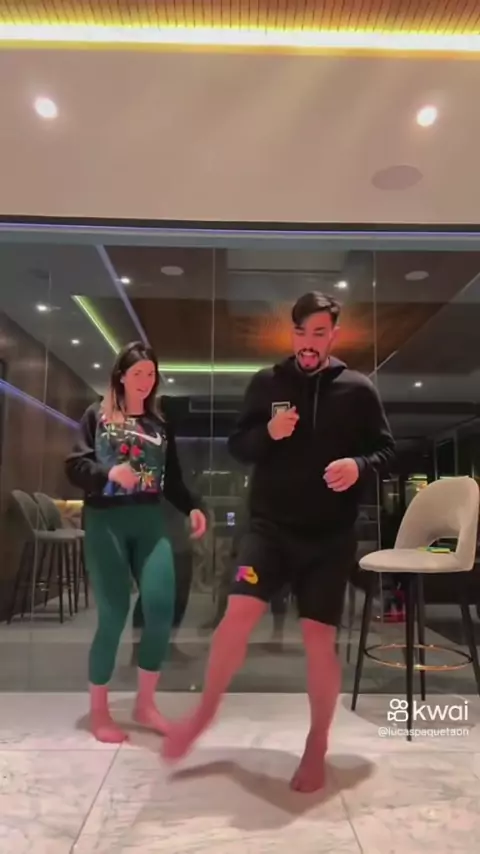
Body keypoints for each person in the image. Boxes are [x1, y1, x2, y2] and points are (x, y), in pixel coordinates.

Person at [162, 292, 395, 792]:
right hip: (269, 529)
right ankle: (203, 713)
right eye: (300, 333)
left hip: (329, 536)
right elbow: (239, 446)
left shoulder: (358, 390)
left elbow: (386, 451)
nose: (308, 343)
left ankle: (317, 743)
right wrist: (268, 431)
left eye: (319, 333)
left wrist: (359, 466)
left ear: (333, 335)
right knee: (235, 617)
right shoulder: (267, 383)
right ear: (291, 334)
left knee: (318, 641)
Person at [65, 342, 207, 743]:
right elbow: (75, 465)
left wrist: (192, 507)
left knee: (160, 608)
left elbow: (172, 479)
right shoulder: (97, 415)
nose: (145, 381)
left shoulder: (159, 425)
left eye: (151, 374)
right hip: (106, 520)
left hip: (149, 521)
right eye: (138, 373)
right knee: (113, 614)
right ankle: (99, 710)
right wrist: (109, 474)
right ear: (122, 377)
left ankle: (145, 705)